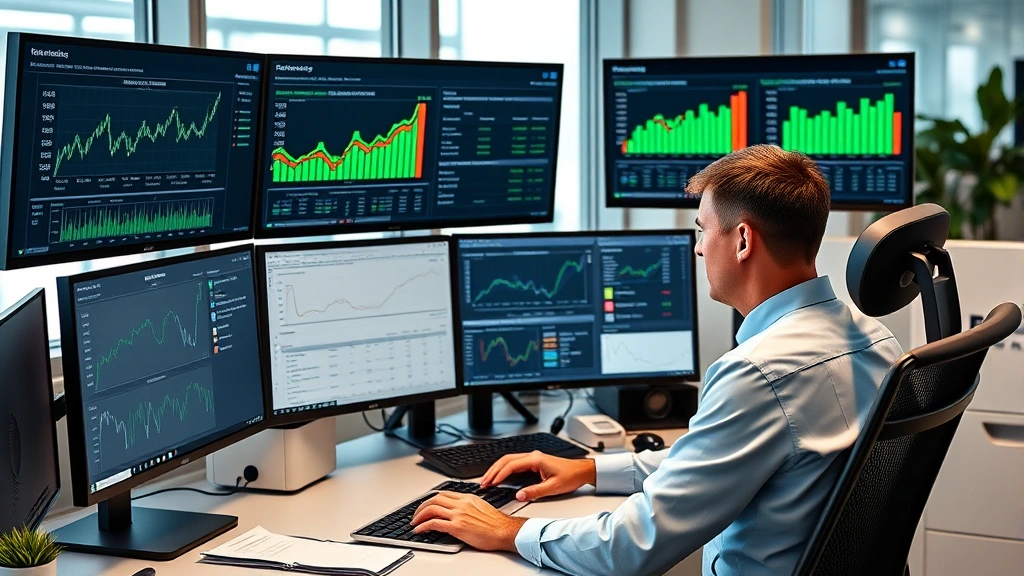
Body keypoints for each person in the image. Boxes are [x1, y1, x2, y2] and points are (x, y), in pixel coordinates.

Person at [410, 144, 904, 576]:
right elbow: (721, 461)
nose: (696, 247)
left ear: (743, 240)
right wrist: (591, 470)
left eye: (702, 229)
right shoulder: (876, 342)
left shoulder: (758, 372)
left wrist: (510, 530)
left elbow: (631, 549)